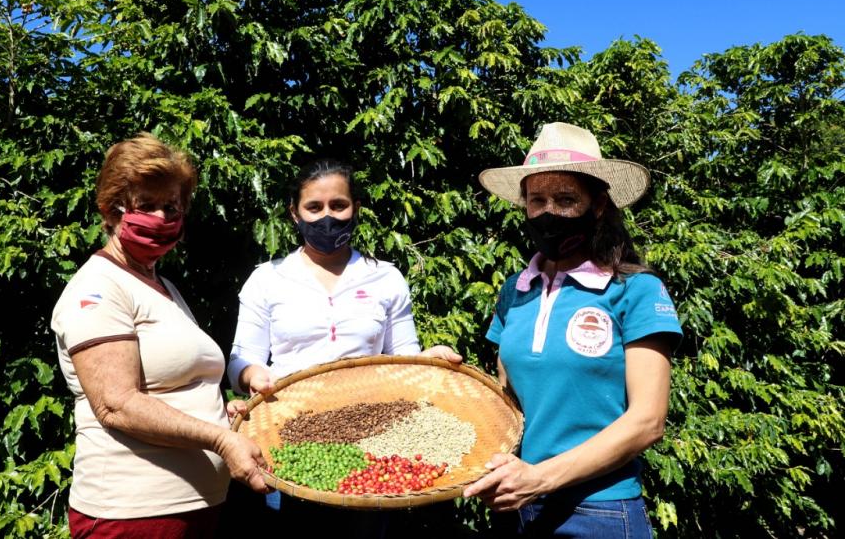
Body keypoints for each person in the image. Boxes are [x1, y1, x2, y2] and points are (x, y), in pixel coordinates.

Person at [464, 122, 682, 538]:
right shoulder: (516, 291)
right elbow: (507, 402)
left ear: (598, 205)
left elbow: (648, 420)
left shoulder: (634, 290)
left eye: (566, 200)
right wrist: (447, 377)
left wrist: (541, 478)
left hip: (599, 510)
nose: (548, 212)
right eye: (537, 200)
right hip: (517, 507)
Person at [225, 158, 461, 536]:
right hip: (289, 433)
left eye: (338, 206)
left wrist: (427, 361)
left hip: (371, 437)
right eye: (314, 208)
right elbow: (241, 359)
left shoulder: (384, 277)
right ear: (295, 214)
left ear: (356, 209)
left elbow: (403, 357)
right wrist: (253, 375)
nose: (327, 217)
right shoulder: (268, 279)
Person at [50, 133, 268, 539]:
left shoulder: (163, 286)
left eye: (172, 207)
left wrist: (225, 413)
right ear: (110, 210)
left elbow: (174, 386)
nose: (162, 218)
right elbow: (118, 405)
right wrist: (220, 440)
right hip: (133, 514)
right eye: (145, 206)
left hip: (197, 507)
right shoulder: (96, 289)